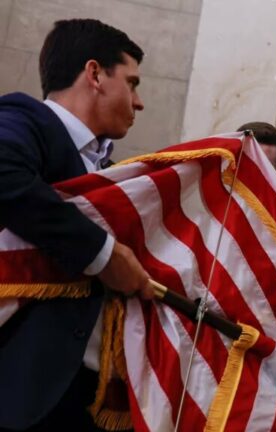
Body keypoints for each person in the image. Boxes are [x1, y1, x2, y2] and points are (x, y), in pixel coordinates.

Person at [0, 19, 153, 430]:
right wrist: (103, 254)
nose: (139, 102)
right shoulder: (25, 119)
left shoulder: (112, 174)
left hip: (86, 398)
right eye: (132, 82)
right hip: (21, 388)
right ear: (95, 74)